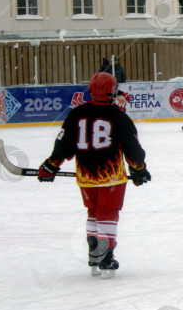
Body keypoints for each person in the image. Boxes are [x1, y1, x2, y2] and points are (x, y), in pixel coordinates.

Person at [37, 72, 150, 278]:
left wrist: (51, 165)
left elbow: (64, 144)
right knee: (108, 213)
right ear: (112, 91)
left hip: (86, 176)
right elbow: (132, 147)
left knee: (93, 212)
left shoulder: (76, 113)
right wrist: (139, 168)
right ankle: (105, 257)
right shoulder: (118, 115)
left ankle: (94, 254)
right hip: (111, 176)